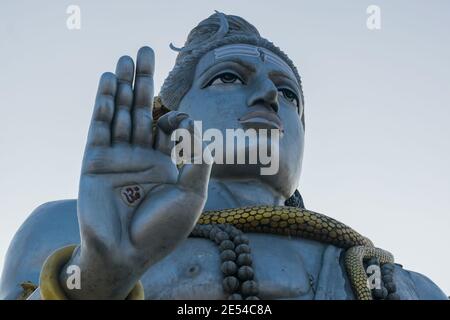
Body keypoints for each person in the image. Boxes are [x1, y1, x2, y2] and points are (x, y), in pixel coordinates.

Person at [0, 12, 446, 300]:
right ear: (168, 116)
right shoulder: (62, 229)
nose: (270, 96)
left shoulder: (394, 282)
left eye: (289, 94)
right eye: (229, 77)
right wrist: (96, 277)